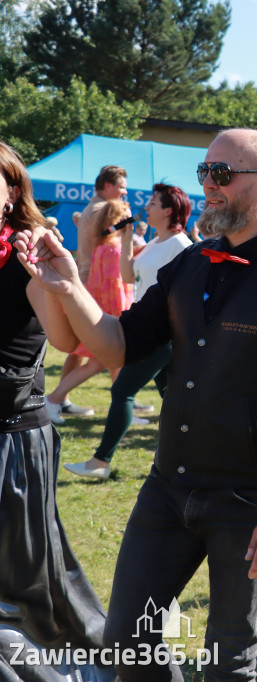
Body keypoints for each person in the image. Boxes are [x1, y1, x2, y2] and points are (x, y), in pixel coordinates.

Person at [17, 128, 257, 681]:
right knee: (129, 644)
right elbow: (116, 343)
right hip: (168, 489)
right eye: (205, 172)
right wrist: (68, 286)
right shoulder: (192, 264)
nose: (209, 186)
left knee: (227, 661)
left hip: (249, 499)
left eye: (222, 174)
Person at [1, 139, 113, 681]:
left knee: (33, 582)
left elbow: (65, 341)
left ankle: (86, 668)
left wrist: (50, 279)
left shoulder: (25, 251)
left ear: (11, 193)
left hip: (13, 439)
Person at [62, 184, 193, 480]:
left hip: (161, 332)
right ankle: (199, 451)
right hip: (144, 326)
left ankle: (100, 462)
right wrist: (124, 236)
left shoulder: (181, 246)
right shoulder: (158, 241)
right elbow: (127, 276)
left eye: (153, 202)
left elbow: (187, 295)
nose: (146, 206)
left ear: (169, 210)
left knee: (122, 390)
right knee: (173, 397)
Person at [43, 199, 135, 423]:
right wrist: (122, 316)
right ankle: (53, 399)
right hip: (109, 316)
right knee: (100, 363)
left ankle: (123, 409)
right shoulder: (114, 249)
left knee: (108, 363)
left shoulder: (102, 246)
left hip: (98, 314)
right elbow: (115, 285)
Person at [58, 165, 128, 420]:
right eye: (121, 186)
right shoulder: (103, 210)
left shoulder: (92, 207)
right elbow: (109, 240)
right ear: (107, 186)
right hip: (97, 285)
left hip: (88, 281)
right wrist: (126, 220)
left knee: (82, 349)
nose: (124, 191)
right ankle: (121, 399)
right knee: (97, 349)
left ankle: (120, 398)